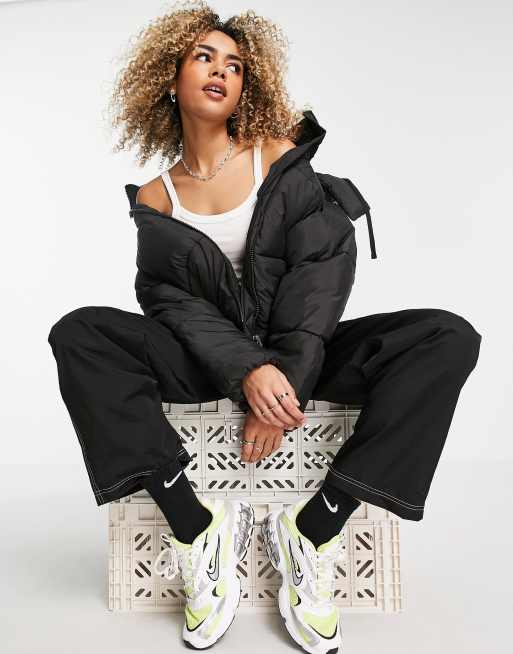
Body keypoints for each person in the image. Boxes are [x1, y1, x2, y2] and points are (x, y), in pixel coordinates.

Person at [47, 2, 482, 653]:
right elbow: (169, 302)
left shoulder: (277, 160)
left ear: (247, 86)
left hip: (304, 350)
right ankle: (196, 527)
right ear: (170, 77)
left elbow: (318, 277)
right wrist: (245, 369)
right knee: (80, 333)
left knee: (446, 337)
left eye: (235, 65)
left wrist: (282, 383)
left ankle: (315, 527)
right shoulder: (156, 197)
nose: (220, 71)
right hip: (208, 362)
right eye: (204, 57)